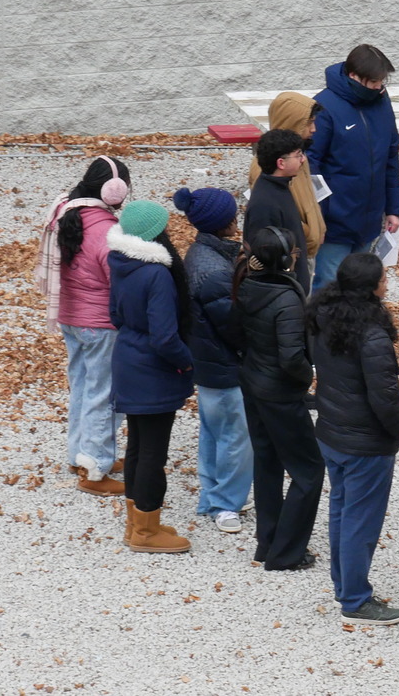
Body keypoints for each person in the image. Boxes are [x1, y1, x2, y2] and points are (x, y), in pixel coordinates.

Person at [304, 252, 399, 624]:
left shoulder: (322, 313)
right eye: (384, 278)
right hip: (364, 443)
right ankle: (354, 598)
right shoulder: (372, 335)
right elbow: (385, 397)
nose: (387, 282)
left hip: (332, 432)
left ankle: (344, 585)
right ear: (371, 286)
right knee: (360, 521)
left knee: (342, 511)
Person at [33, 155, 132, 496]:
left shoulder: (64, 212)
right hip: (100, 324)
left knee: (82, 385)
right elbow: (117, 281)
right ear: (115, 191)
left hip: (70, 317)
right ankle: (95, 467)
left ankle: (80, 453)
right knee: (104, 394)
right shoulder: (106, 231)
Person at [106, 200, 194, 553]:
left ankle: (136, 522)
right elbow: (164, 336)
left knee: (138, 447)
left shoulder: (121, 263)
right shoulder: (157, 272)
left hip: (127, 358)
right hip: (153, 370)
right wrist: (187, 362)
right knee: (153, 453)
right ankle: (146, 529)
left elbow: (115, 314)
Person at [235, 227, 324, 571]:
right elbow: (291, 358)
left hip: (253, 384)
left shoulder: (245, 283)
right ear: (286, 260)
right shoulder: (286, 299)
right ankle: (286, 553)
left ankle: (268, 542)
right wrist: (307, 377)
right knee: (310, 471)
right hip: (280, 393)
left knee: (267, 463)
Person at [174, 187, 251, 535]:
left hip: (206, 364)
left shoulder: (202, 256)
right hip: (224, 366)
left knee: (212, 431)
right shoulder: (215, 272)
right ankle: (226, 504)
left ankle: (211, 496)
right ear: (226, 222)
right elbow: (233, 326)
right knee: (235, 436)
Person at [307, 44, 399, 290]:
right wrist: (320, 217)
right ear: (353, 76)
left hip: (369, 219)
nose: (378, 87)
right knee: (329, 286)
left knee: (361, 286)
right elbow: (311, 166)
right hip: (335, 222)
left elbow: (390, 157)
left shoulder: (381, 102)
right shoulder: (324, 107)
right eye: (373, 81)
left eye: (382, 81)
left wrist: (393, 208)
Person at [246, 91, 325, 259]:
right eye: (309, 123)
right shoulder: (265, 165)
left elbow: (308, 198)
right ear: (292, 123)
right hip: (290, 254)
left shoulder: (296, 156)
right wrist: (309, 233)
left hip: (304, 248)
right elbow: (273, 214)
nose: (314, 129)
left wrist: (319, 228)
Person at [245, 127, 313, 290]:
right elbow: (264, 258)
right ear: (281, 163)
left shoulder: (279, 187)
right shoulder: (264, 204)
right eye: (298, 155)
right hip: (282, 294)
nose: (303, 159)